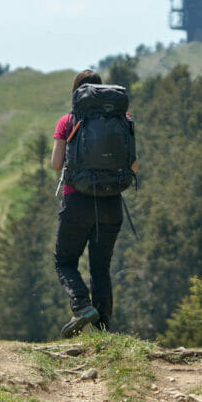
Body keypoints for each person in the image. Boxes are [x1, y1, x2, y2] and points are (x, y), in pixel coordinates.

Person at [51, 69, 137, 337]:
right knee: (101, 267)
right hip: (111, 203)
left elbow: (56, 165)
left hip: (77, 200)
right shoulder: (124, 119)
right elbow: (134, 164)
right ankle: (103, 333)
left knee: (64, 261)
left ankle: (81, 305)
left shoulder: (68, 121)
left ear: (77, 94)